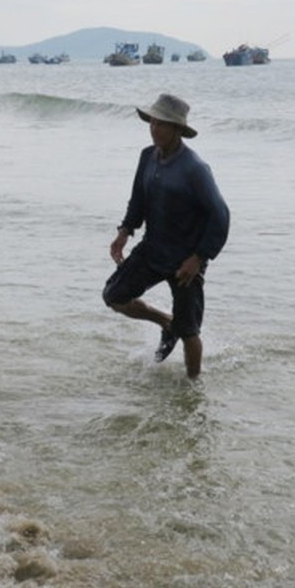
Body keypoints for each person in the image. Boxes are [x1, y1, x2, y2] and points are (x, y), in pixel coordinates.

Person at [103, 93, 229, 379]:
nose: (153, 128)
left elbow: (220, 216)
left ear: (177, 129)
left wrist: (198, 258)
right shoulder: (147, 156)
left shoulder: (194, 169)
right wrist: (124, 231)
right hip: (153, 248)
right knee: (114, 295)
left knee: (190, 331)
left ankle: (192, 388)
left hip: (186, 260)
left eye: (161, 124)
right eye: (152, 122)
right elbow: (138, 200)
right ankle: (164, 322)